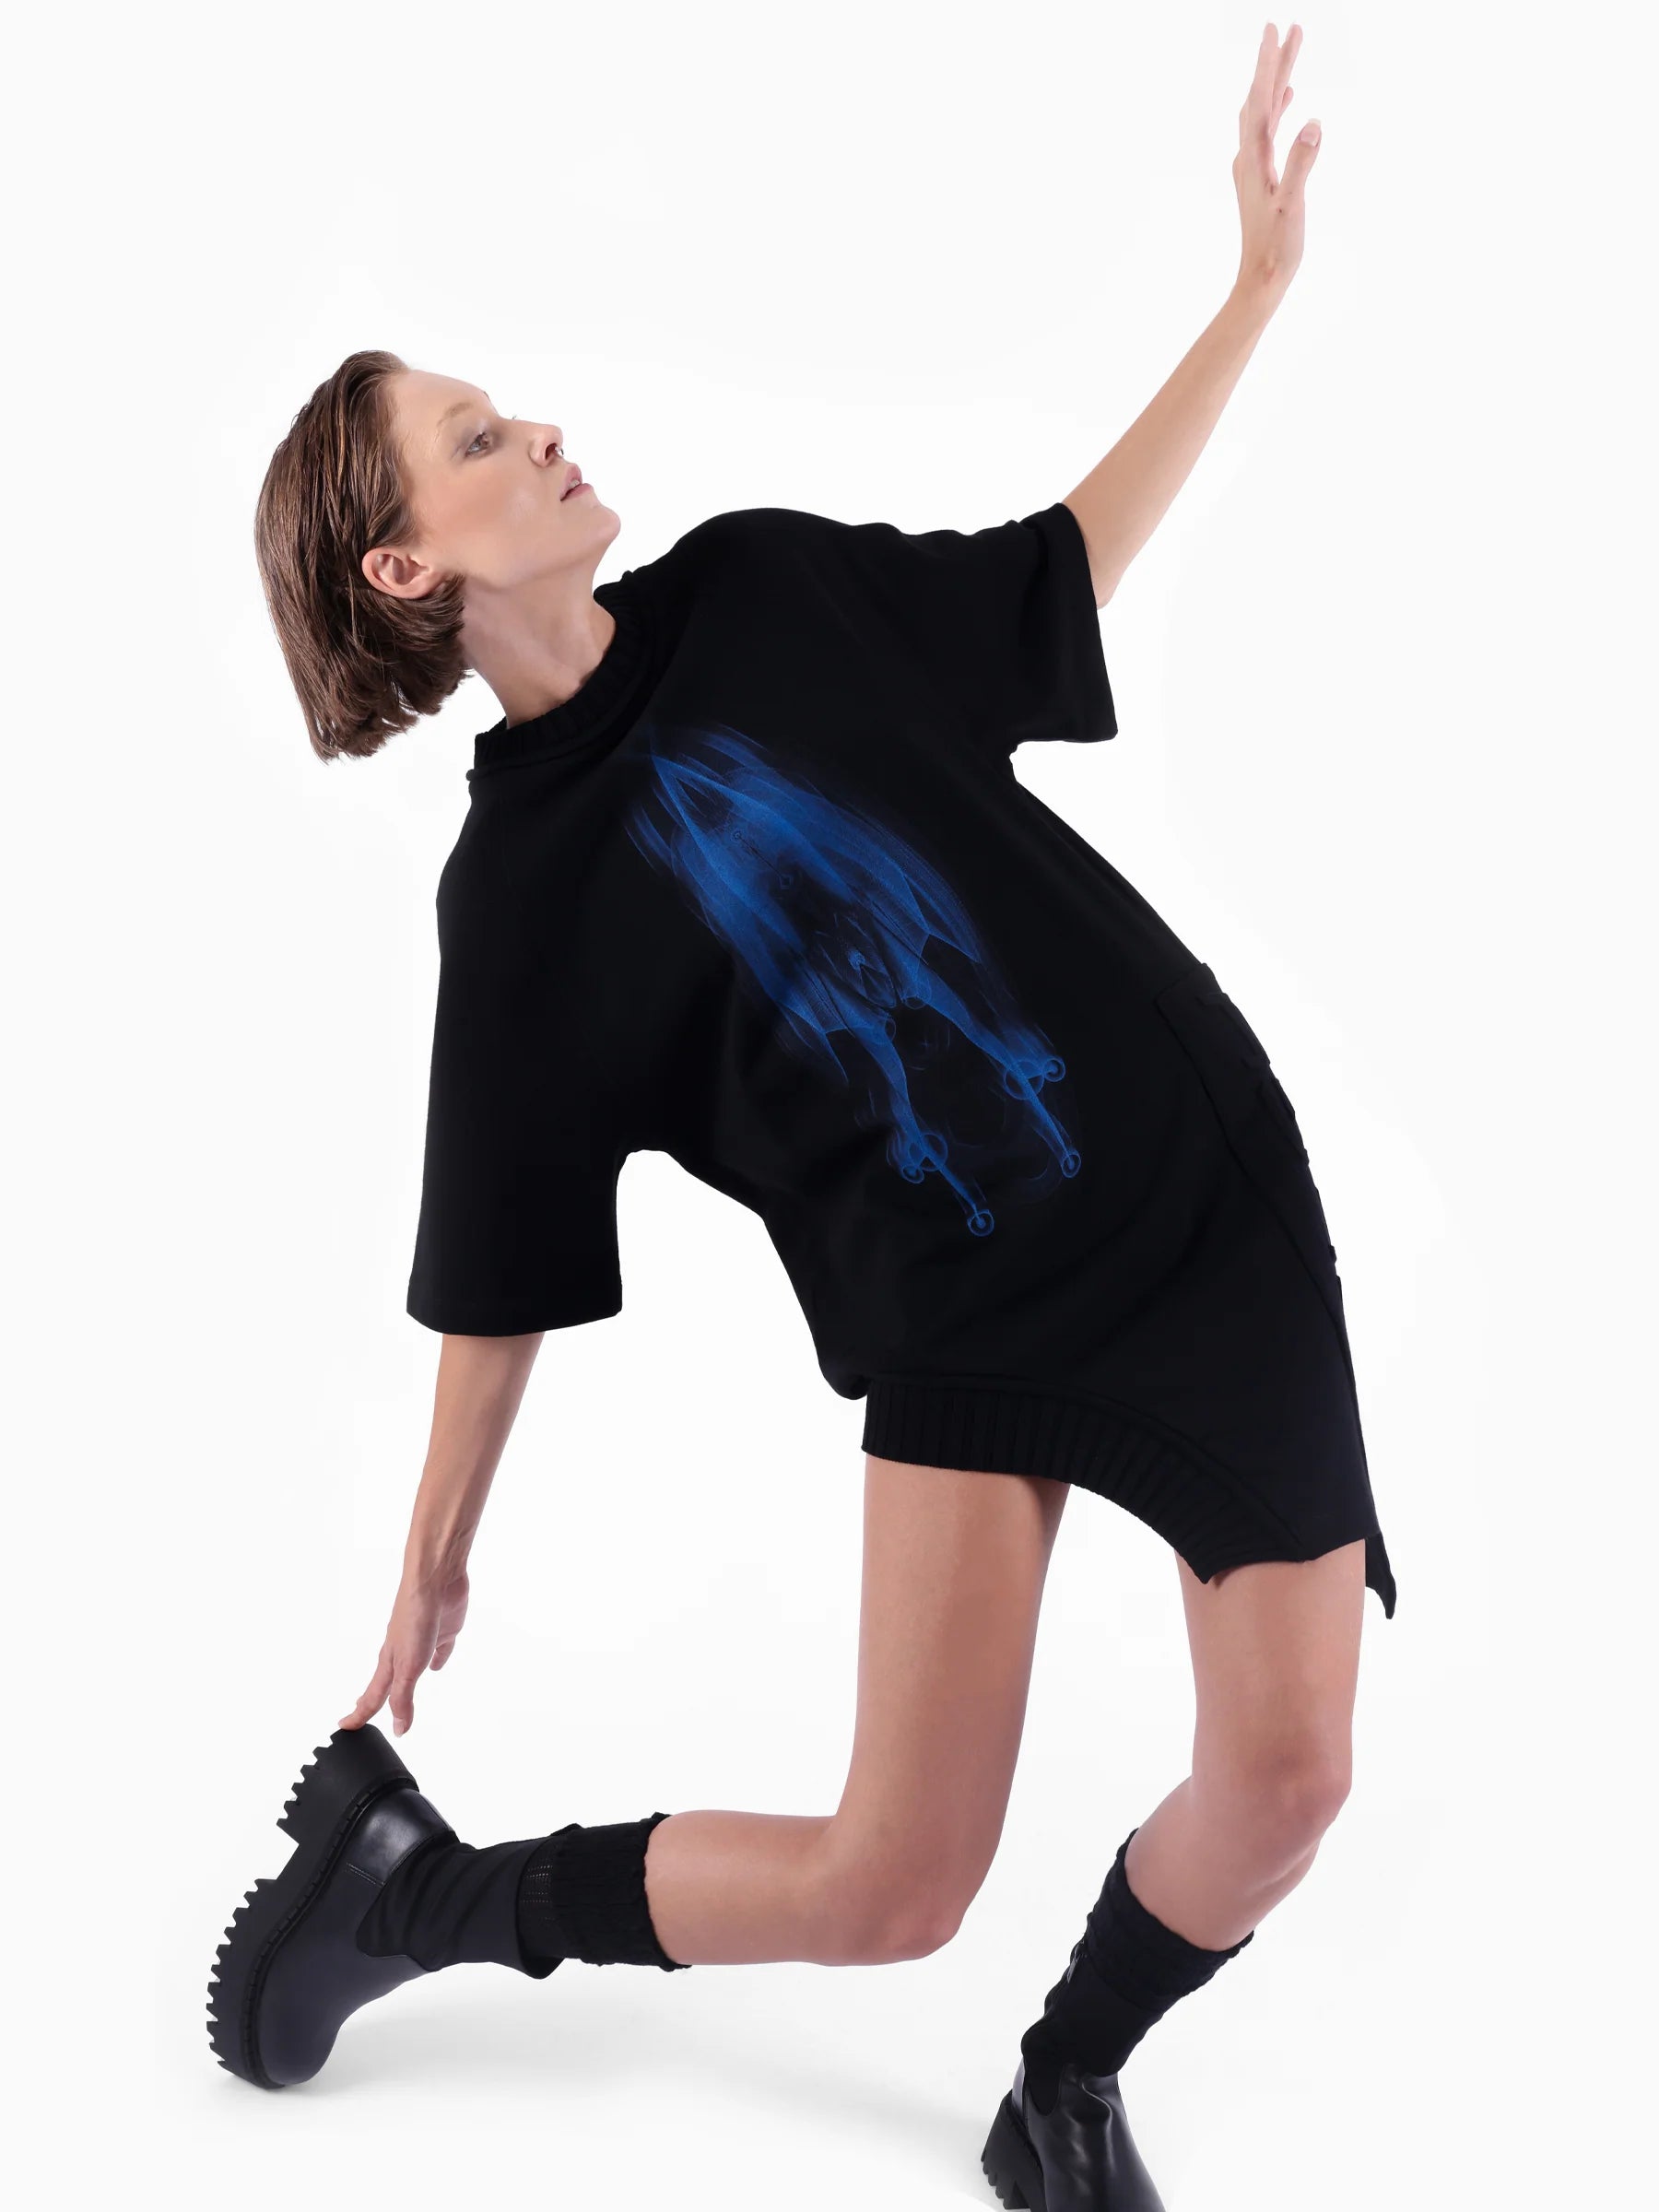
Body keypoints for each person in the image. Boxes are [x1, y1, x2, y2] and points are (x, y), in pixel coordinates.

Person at [211, 25, 1391, 2206]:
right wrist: (435, 1555)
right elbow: (499, 1264)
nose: (535, 428)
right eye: (474, 438)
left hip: (1200, 1203)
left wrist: (1253, 292)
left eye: (504, 405)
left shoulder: (765, 583)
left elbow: (1056, 579)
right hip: (970, 1319)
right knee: (888, 1881)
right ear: (408, 571)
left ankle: (1062, 2087)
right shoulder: (524, 902)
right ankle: (420, 1896)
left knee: (1291, 1777)